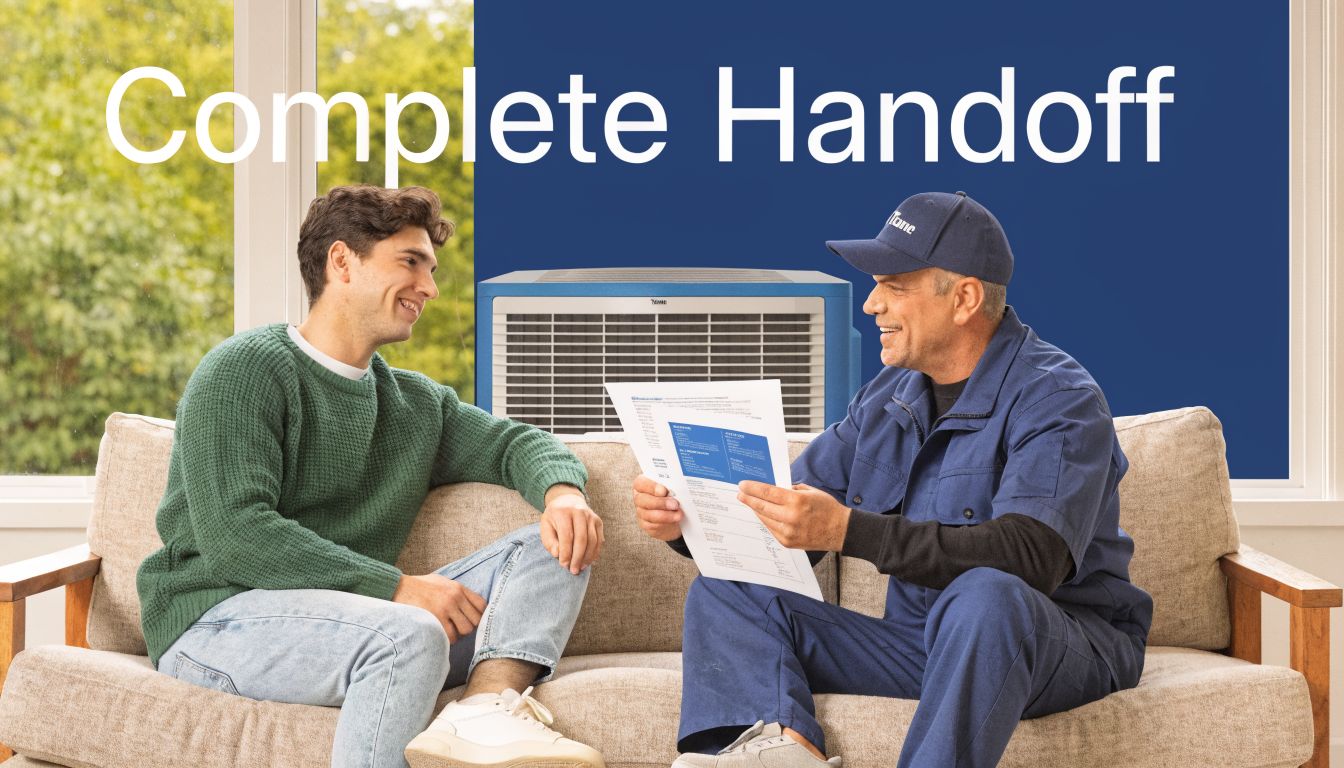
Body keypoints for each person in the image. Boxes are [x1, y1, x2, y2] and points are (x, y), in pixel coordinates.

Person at [632, 191, 1153, 768]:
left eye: (894, 285)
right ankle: (781, 753)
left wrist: (849, 531)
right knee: (726, 590)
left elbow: (1033, 556)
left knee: (987, 595)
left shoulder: (1058, 399)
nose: (871, 304)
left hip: (1060, 643)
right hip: (922, 642)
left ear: (964, 298)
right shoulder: (888, 397)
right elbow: (788, 521)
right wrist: (686, 520)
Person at [137, 185, 606, 768]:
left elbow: (518, 443)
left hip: (352, 618)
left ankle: (483, 713)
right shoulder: (243, 371)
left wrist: (562, 494)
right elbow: (237, 535)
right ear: (342, 262)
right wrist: (396, 587)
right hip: (219, 621)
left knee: (557, 545)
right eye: (410, 263)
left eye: (431, 270)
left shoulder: (413, 404)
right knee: (408, 635)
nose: (430, 288)